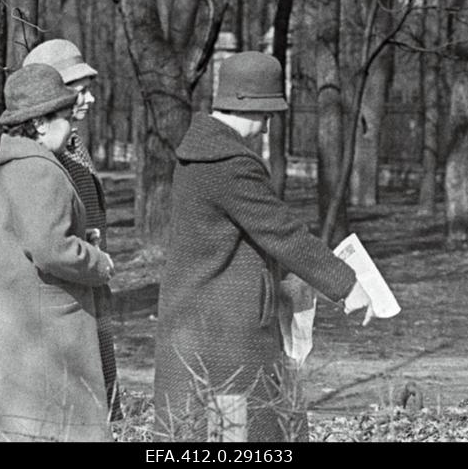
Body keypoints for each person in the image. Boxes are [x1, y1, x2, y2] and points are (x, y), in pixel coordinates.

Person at [153, 51, 365, 442]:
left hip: (202, 321)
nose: (267, 129)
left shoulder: (200, 154)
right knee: (238, 436)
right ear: (245, 105)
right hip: (225, 333)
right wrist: (345, 284)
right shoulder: (228, 163)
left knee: (217, 436)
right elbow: (282, 231)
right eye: (267, 115)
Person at [0, 63, 116, 442]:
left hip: (15, 325)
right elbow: (51, 249)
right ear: (40, 124)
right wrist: (98, 262)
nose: (72, 126)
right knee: (54, 429)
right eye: (66, 117)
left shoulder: (8, 165)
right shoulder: (38, 169)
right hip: (43, 334)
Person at [23, 39, 122, 422]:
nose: (91, 99)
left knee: (99, 407)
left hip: (89, 289)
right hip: (61, 304)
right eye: (80, 90)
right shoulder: (42, 155)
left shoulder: (73, 144)